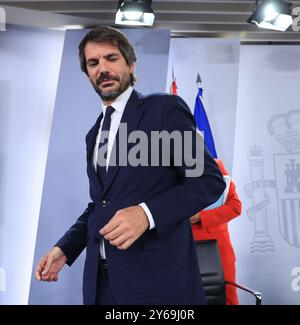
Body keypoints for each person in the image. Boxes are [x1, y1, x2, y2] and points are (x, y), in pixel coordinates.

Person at [35, 26, 226, 305]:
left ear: (130, 63)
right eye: (93, 62)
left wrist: (146, 214)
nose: (102, 68)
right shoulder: (94, 134)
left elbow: (208, 181)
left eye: (111, 58)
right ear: (87, 73)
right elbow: (100, 205)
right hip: (101, 285)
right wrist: (66, 248)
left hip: (157, 286)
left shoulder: (164, 110)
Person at [190, 159, 242, 305]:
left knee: (228, 298)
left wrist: (200, 217)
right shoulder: (166, 173)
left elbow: (235, 207)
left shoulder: (215, 165)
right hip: (182, 248)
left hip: (219, 250)